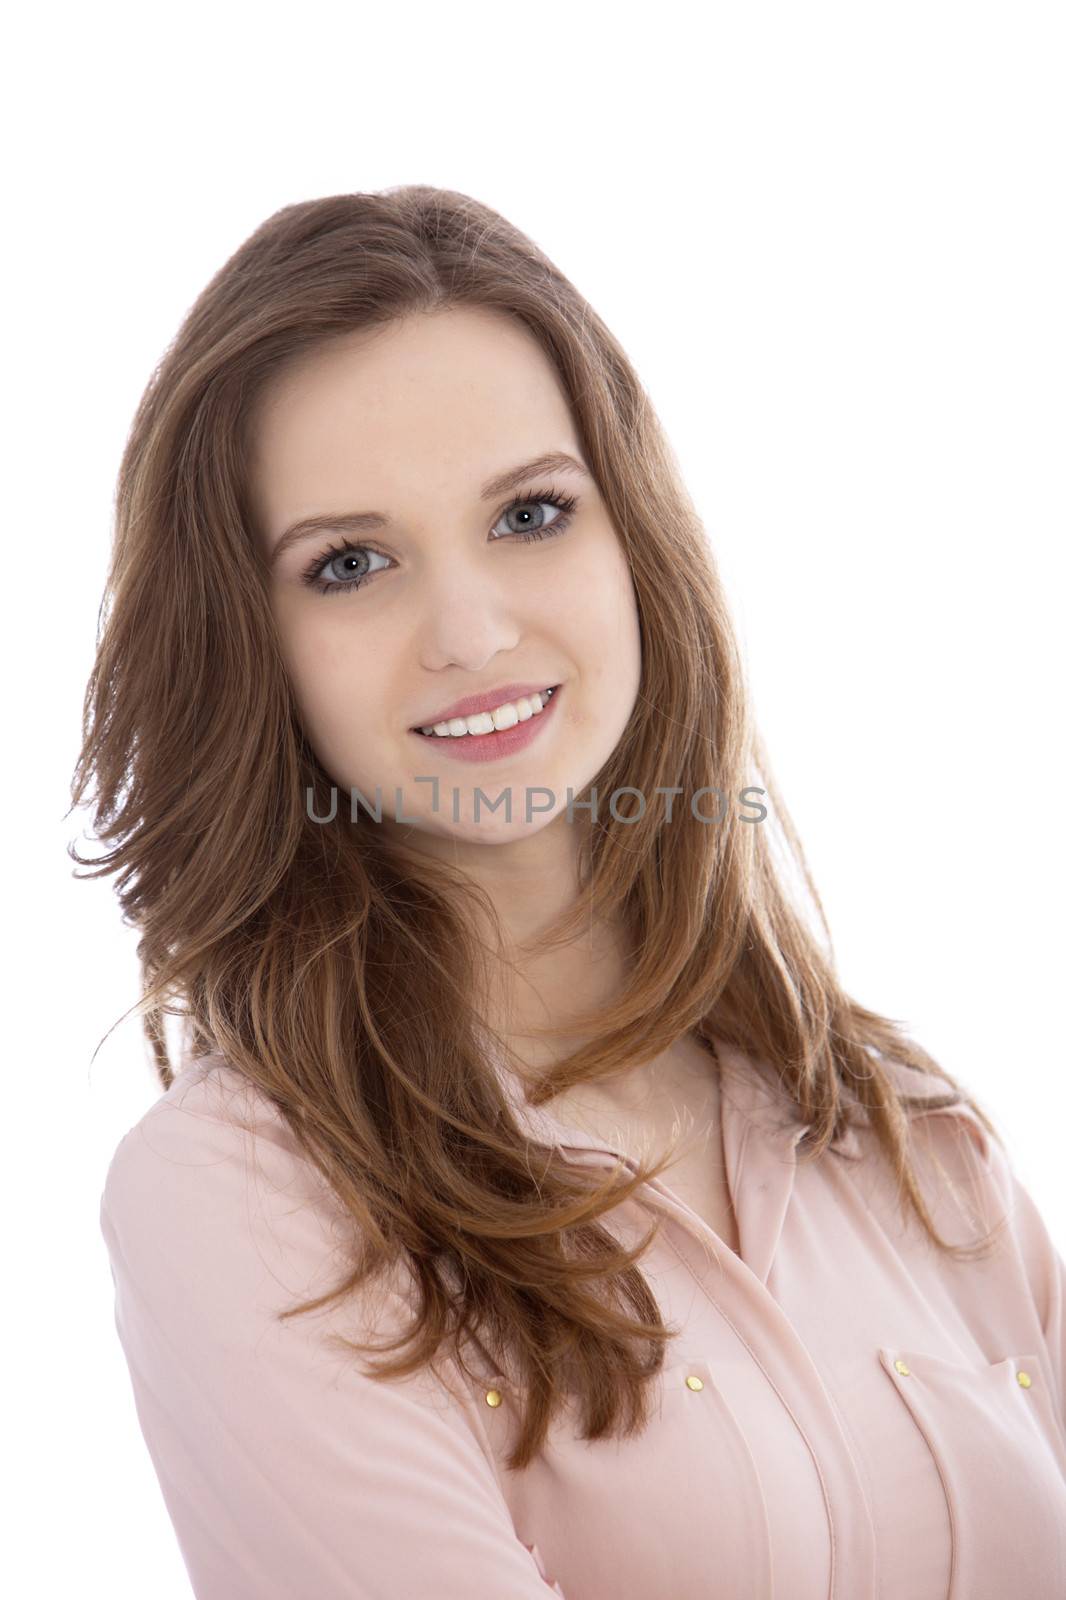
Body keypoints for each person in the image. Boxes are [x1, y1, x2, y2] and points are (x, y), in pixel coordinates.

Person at [73, 187, 1066, 1599]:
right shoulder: (246, 1199)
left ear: (633, 545)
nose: (471, 631)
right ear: (249, 641)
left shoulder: (900, 1130)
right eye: (349, 563)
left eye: (532, 512)